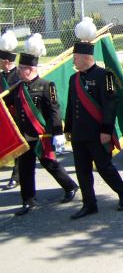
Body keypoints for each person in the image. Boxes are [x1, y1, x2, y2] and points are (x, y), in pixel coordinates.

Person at [65, 18, 123, 219]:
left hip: (97, 132)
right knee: (82, 170)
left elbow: (111, 104)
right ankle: (89, 204)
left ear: (86, 57)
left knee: (104, 167)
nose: (73, 61)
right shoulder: (73, 78)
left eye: (75, 57)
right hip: (79, 134)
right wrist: (68, 128)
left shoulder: (105, 76)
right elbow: (70, 105)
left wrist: (106, 129)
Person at [10, 33, 78, 216]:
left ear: (31, 69)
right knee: (25, 170)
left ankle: (70, 186)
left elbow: (54, 110)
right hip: (25, 137)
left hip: (42, 135)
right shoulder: (17, 88)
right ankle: (28, 200)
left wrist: (57, 133)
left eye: (22, 68)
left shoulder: (47, 85)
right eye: (18, 68)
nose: (18, 71)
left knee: (50, 164)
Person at [0, 30, 20, 190]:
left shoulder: (18, 77)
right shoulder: (1, 76)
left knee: (20, 149)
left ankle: (16, 176)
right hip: (3, 117)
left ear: (6, 61)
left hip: (17, 118)